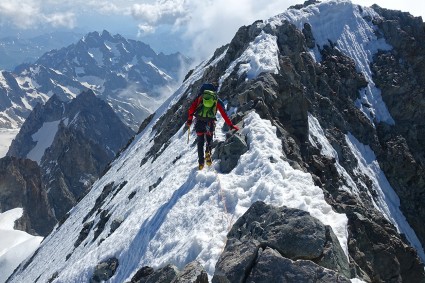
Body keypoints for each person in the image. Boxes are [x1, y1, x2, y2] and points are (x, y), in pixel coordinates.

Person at [187, 82, 239, 170]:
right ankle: (208, 153)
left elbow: (191, 109)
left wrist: (189, 121)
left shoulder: (200, 97)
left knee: (200, 142)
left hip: (199, 122)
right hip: (210, 123)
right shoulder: (215, 99)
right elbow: (223, 113)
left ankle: (201, 162)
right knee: (209, 139)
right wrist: (230, 125)